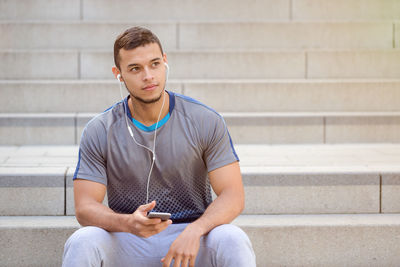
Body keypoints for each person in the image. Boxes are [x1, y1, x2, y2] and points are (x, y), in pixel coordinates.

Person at [62, 26, 256, 267]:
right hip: (130, 236)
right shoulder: (100, 129)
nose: (148, 76)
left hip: (190, 236)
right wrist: (128, 224)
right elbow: (85, 208)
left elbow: (233, 195)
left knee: (232, 238)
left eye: (154, 64)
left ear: (165, 62)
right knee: (83, 240)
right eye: (135, 68)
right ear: (118, 74)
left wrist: (196, 230)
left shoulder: (204, 119)